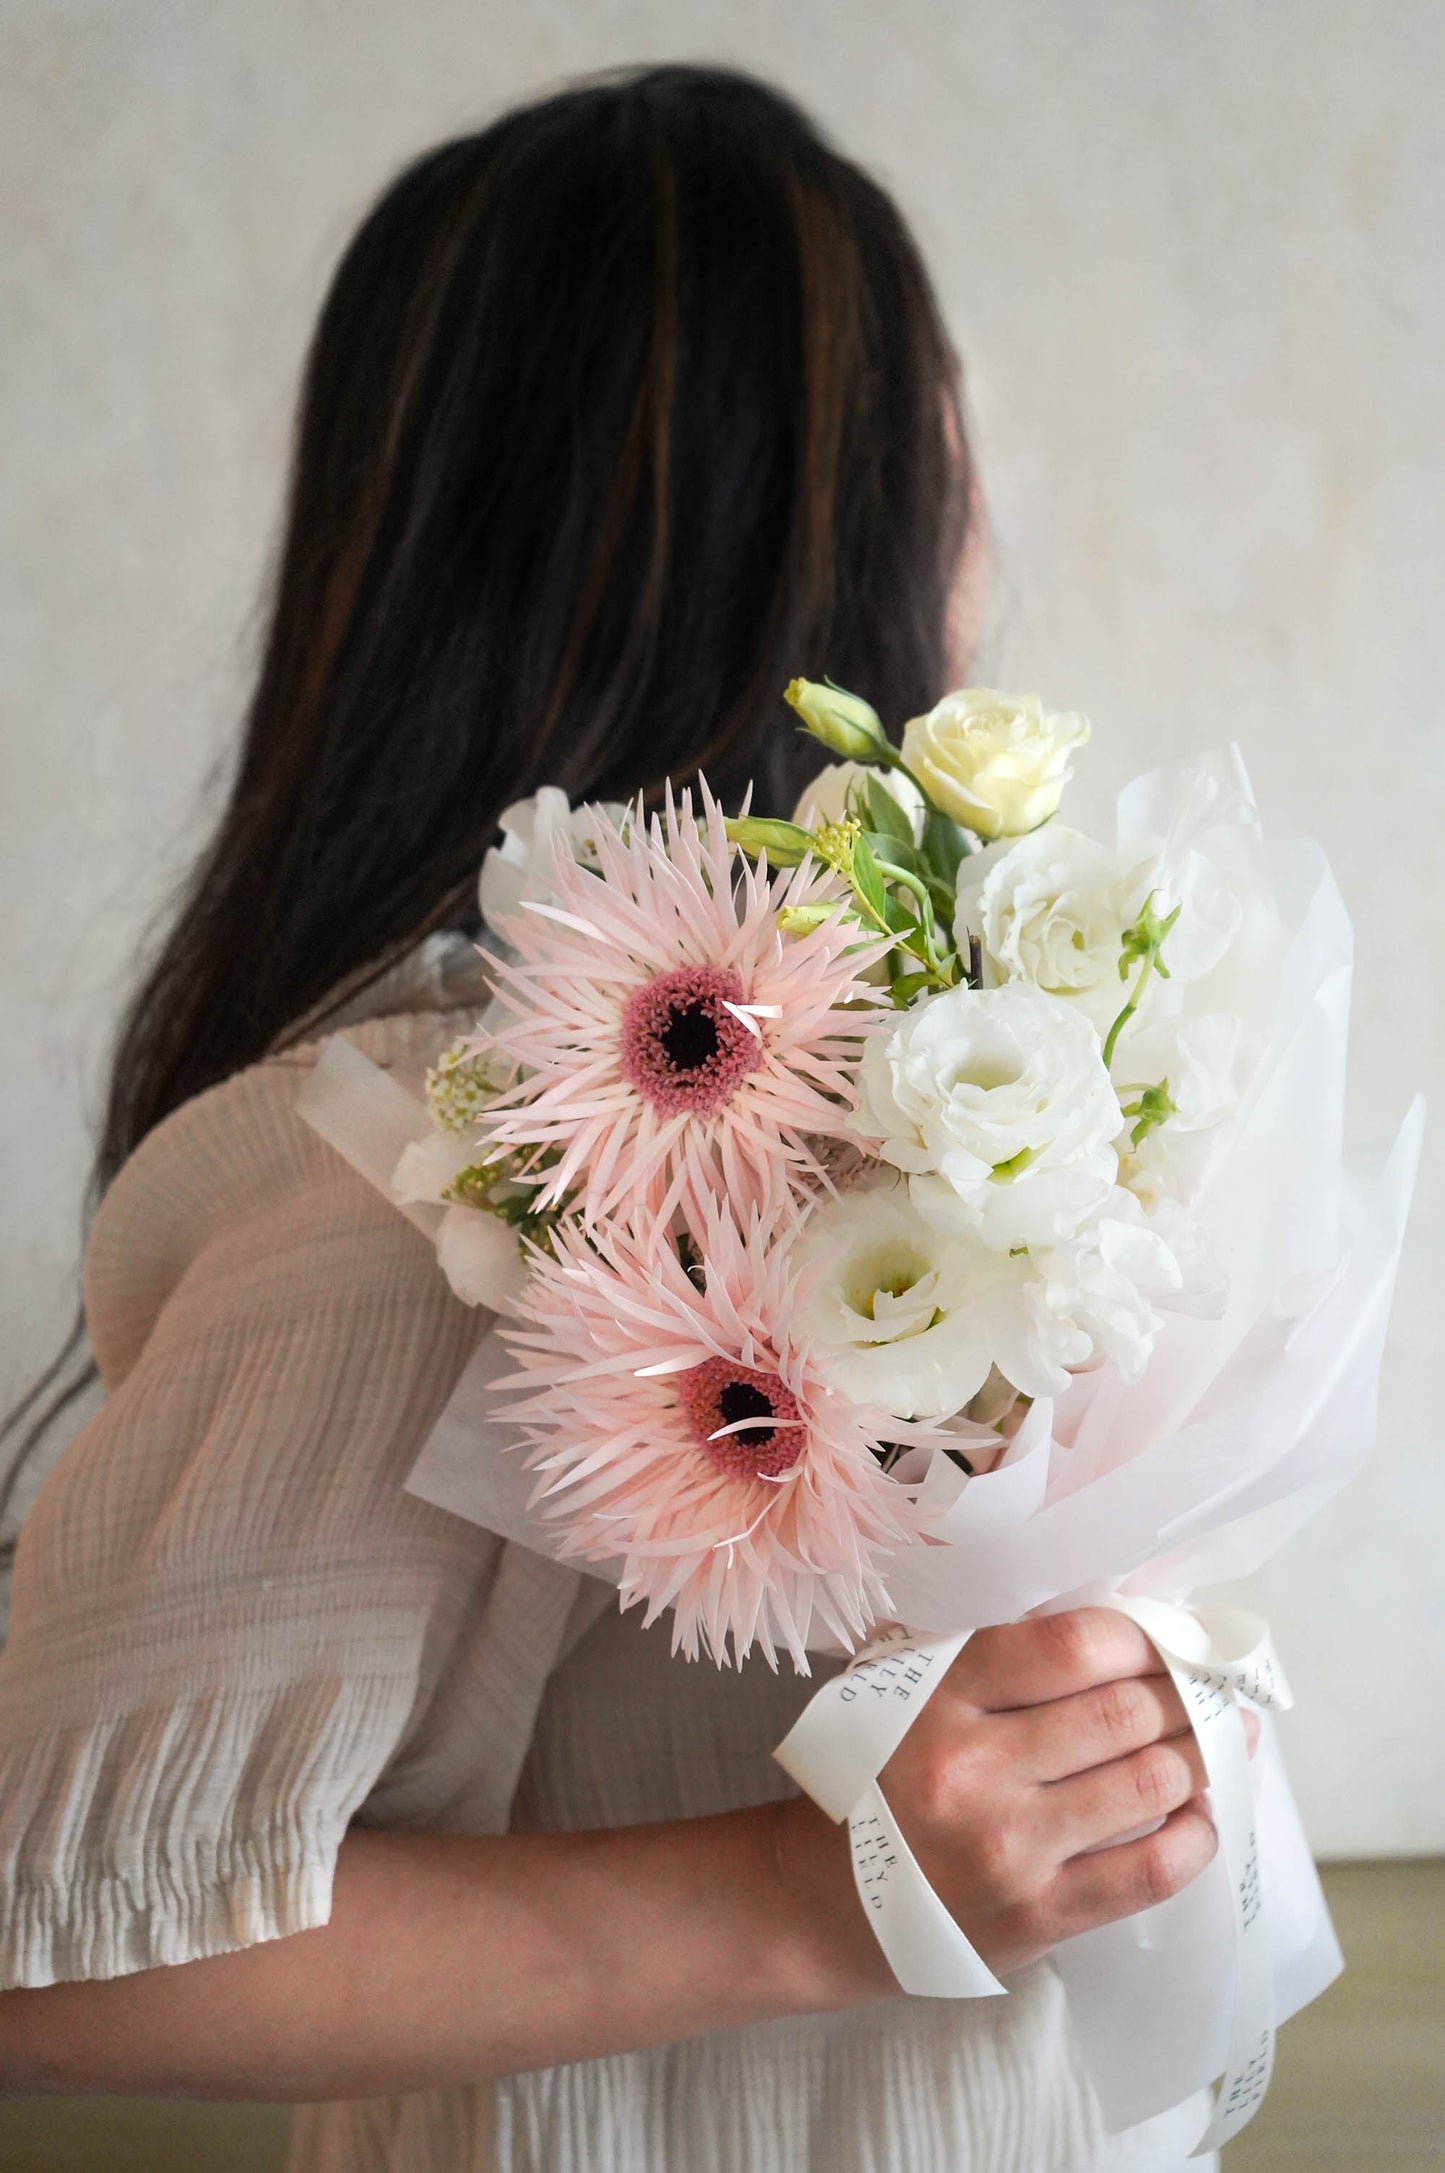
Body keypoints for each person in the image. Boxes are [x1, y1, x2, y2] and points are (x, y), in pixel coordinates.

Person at [0, 64, 1223, 2173]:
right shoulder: (446, 1146)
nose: (979, 510)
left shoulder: (928, 1076)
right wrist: (810, 1885)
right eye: (940, 428)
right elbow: (59, 1954)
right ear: (817, 507)